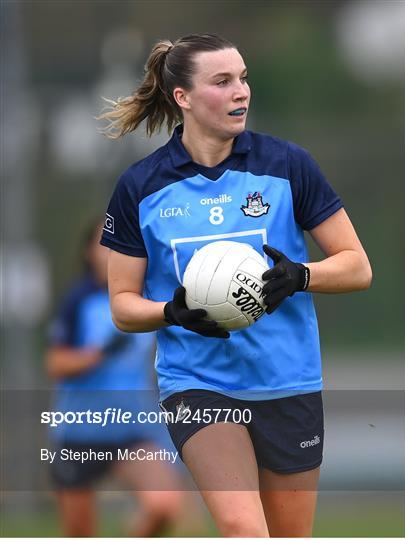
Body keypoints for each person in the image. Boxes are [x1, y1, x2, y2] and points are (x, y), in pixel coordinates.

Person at [98, 33, 372, 537]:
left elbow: (357, 266)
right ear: (182, 97)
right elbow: (122, 306)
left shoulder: (287, 166)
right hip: (198, 384)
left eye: (243, 78)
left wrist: (300, 275)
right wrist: (170, 313)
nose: (240, 91)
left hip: (287, 380)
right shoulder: (141, 187)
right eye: (222, 82)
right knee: (245, 530)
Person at [45, 219, 184, 537]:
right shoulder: (77, 301)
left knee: (164, 506)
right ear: (87, 253)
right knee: (80, 532)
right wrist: (97, 354)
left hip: (132, 431)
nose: (112, 251)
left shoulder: (145, 297)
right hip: (80, 432)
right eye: (104, 244)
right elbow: (55, 363)